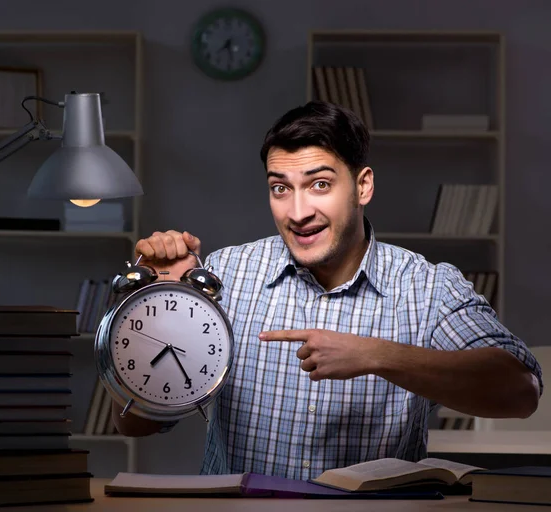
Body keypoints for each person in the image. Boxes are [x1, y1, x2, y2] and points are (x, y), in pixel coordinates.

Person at [113, 100, 543, 480]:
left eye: (320, 184)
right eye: (280, 188)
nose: (298, 213)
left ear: (363, 186)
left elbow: (520, 390)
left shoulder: (428, 287)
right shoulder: (224, 275)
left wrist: (376, 355)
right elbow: (136, 424)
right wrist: (157, 304)